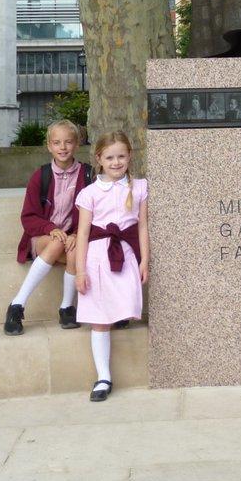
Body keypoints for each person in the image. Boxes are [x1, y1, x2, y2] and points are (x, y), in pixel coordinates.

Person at [75, 130, 149, 401]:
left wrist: (145, 260)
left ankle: (119, 317)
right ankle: (103, 377)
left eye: (121, 156)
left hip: (126, 253)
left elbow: (142, 226)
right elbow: (83, 233)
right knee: (99, 319)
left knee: (124, 303)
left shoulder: (139, 187)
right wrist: (80, 270)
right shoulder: (90, 193)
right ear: (99, 159)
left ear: (129, 156)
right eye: (110, 157)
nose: (116, 162)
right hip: (97, 257)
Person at [5, 120, 93, 335]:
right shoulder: (41, 176)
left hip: (75, 237)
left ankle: (66, 308)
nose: (63, 147)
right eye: (57, 142)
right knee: (56, 243)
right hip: (44, 237)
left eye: (68, 142)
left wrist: (76, 234)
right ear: (49, 146)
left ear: (77, 144)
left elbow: (95, 213)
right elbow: (28, 217)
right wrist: (50, 227)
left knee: (73, 250)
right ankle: (17, 304)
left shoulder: (88, 175)